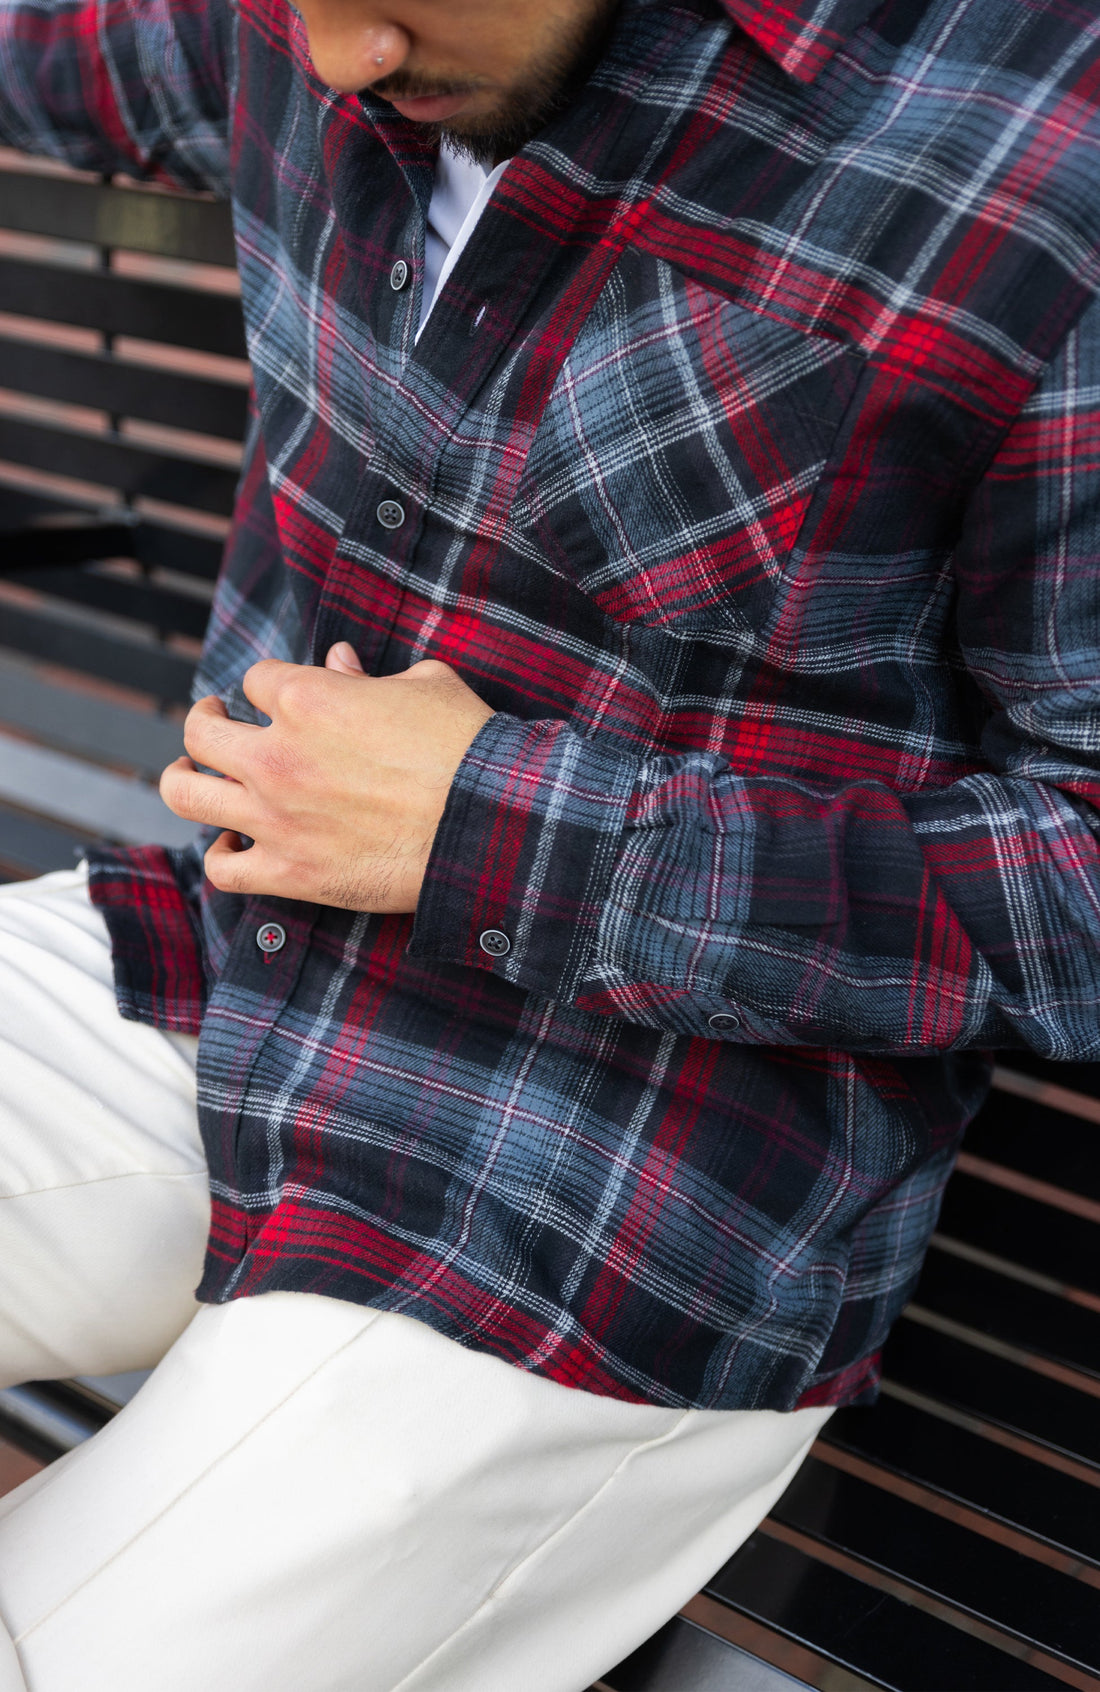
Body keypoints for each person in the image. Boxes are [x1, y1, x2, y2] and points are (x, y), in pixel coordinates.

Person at [1, 0, 1099, 1685]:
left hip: (613, 1190)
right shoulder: (306, 28)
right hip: (228, 968)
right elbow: (70, 52)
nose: (342, 60)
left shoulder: (1040, 141)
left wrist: (498, 829)